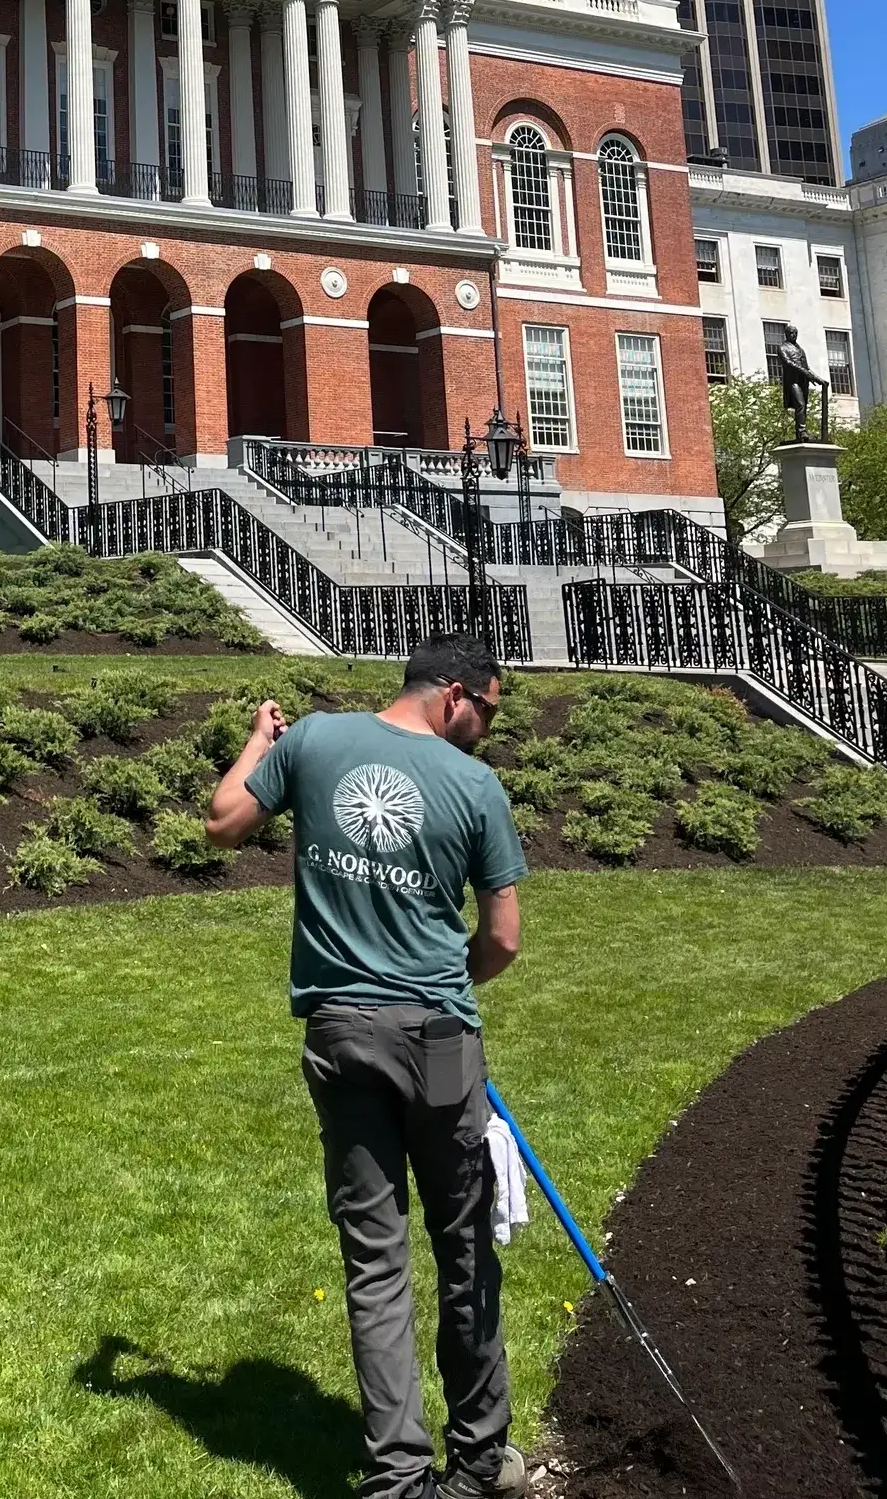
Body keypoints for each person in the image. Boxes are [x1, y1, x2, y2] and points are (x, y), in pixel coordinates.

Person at [207, 631, 528, 1499]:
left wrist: (259, 741)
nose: (488, 731)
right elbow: (501, 939)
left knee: (376, 1262)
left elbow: (224, 823)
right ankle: (478, 1465)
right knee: (464, 1250)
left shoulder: (311, 739)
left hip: (341, 1034)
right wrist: (445, 987)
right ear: (455, 694)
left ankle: (396, 1479)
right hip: (441, 1040)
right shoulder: (475, 787)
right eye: (490, 711)